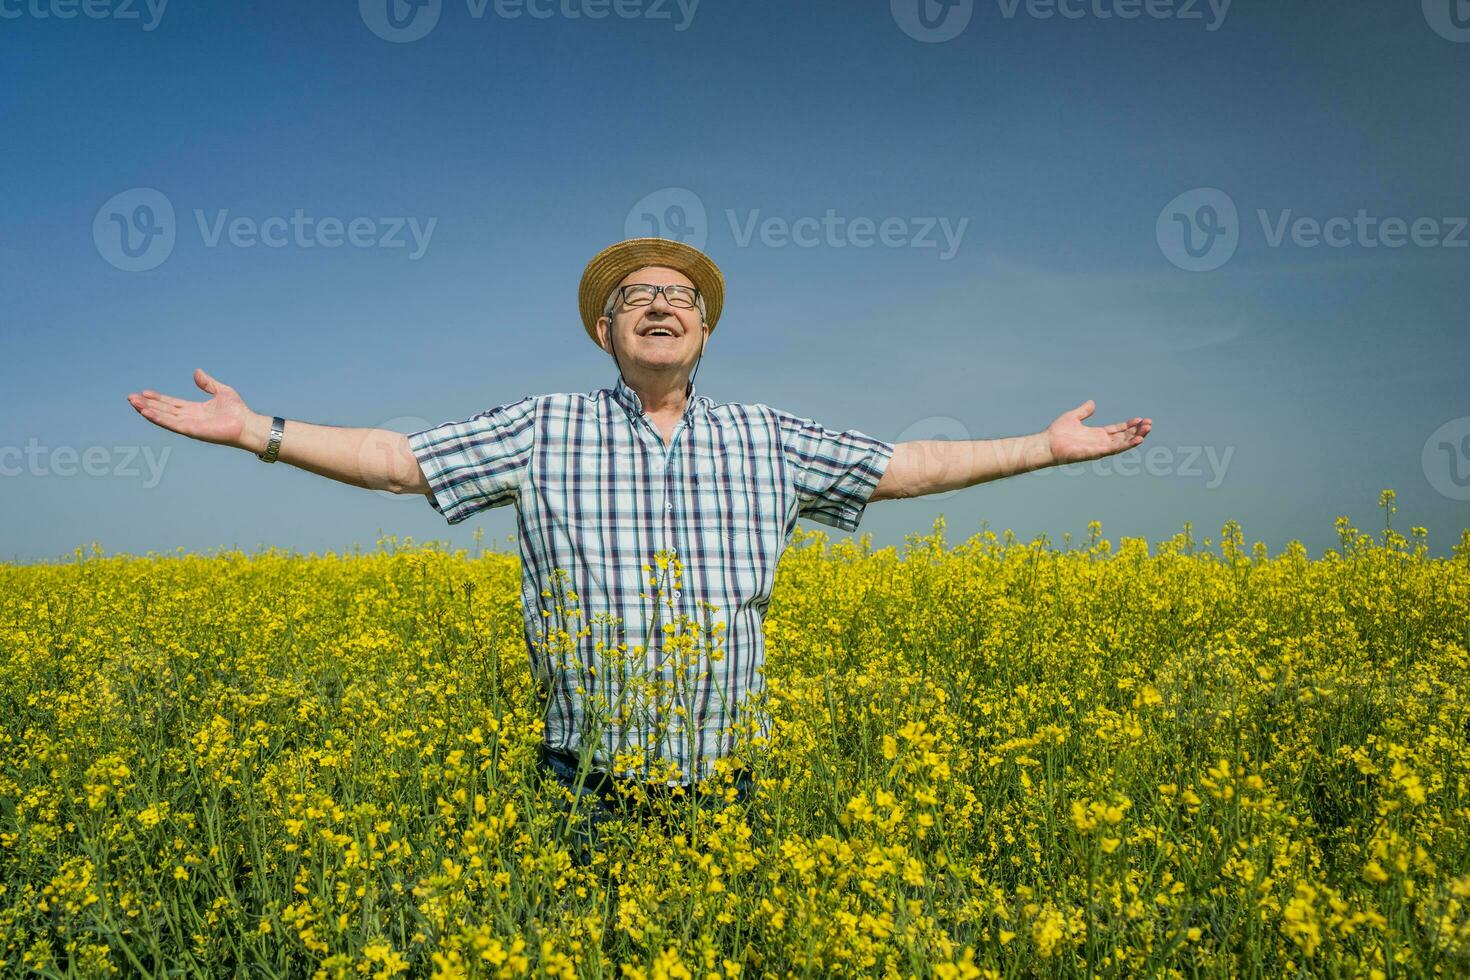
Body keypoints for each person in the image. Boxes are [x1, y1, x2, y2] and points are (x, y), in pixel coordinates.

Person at [125, 236, 1153, 859]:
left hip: (725, 783)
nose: (660, 305)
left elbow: (908, 465)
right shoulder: (541, 426)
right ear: (604, 333)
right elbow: (398, 458)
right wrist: (261, 431)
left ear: (704, 331)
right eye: (635, 300)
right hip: (584, 782)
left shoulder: (769, 435)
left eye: (681, 299)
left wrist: (1046, 451)